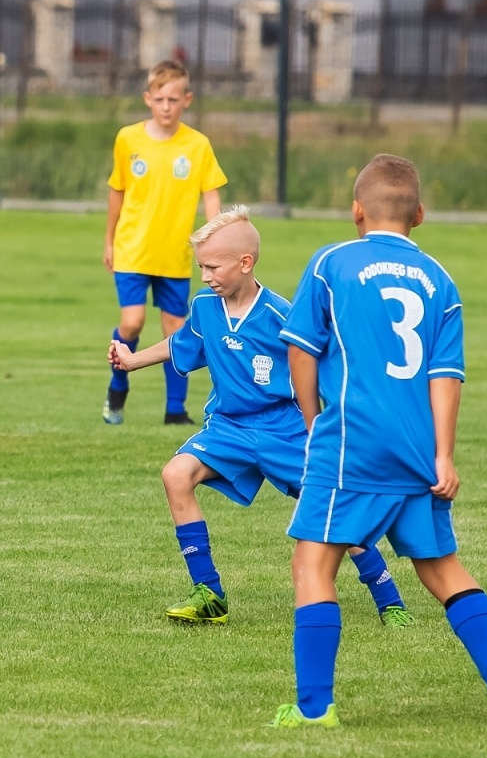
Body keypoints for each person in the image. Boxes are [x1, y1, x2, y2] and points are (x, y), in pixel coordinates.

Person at [270, 155, 487, 729]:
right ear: (420, 214)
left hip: (351, 445)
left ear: (356, 211)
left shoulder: (331, 263)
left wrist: (313, 420)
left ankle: (314, 709)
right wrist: (443, 454)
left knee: (313, 566)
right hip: (417, 452)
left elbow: (301, 350)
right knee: (443, 571)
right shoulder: (441, 280)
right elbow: (446, 375)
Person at [108, 207, 412, 626]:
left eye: (212, 266)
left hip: (285, 429)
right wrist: (131, 360)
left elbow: (322, 363)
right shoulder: (205, 307)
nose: (205, 276)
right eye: (201, 267)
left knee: (333, 509)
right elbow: (180, 342)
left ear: (245, 263)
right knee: (176, 475)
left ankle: (390, 600)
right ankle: (209, 594)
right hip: (230, 428)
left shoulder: (280, 316)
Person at [102, 59, 225, 426]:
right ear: (148, 99)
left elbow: (212, 197)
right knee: (133, 322)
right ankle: (117, 385)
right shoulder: (128, 139)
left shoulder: (198, 145)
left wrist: (215, 240)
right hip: (132, 250)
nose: (167, 107)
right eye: (160, 99)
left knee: (175, 330)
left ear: (187, 99)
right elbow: (117, 192)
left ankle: (175, 410)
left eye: (174, 99)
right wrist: (109, 241)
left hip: (173, 255)